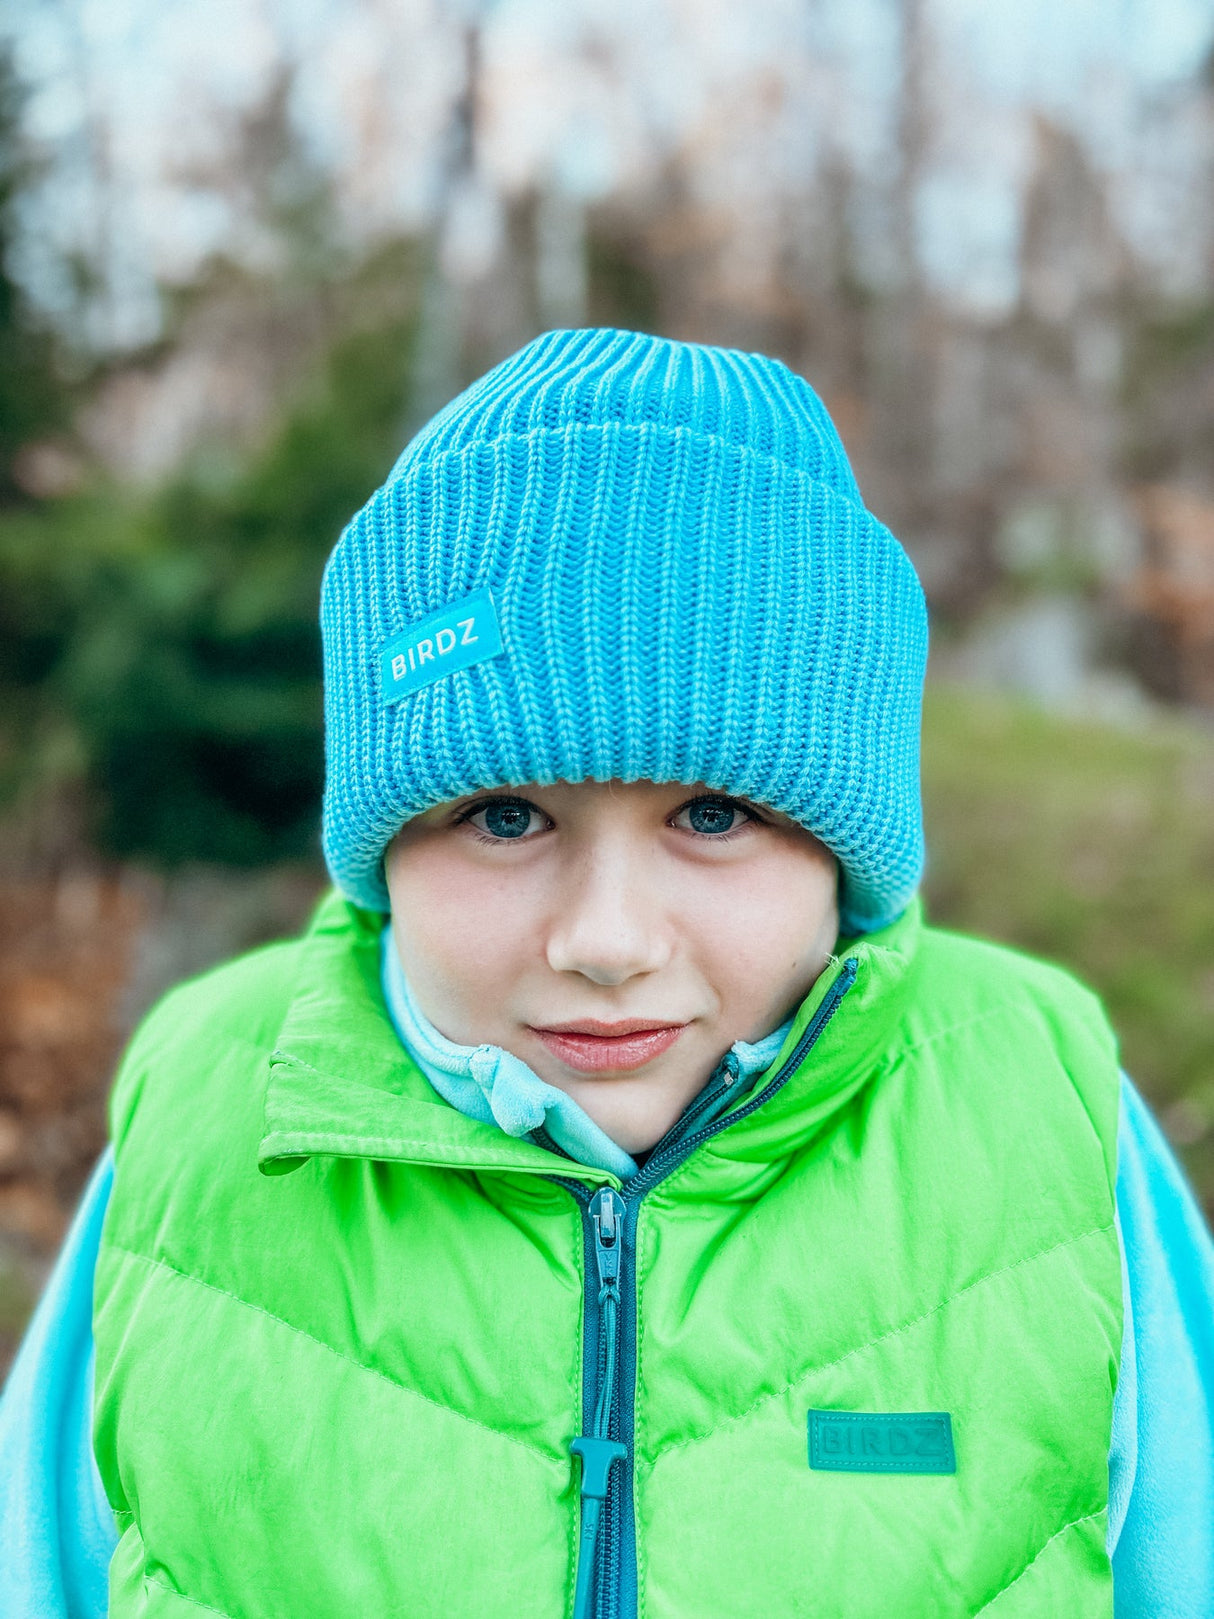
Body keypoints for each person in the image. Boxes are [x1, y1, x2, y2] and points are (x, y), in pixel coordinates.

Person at [2, 326, 1213, 1618]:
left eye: (710, 817)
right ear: (383, 846)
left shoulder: (1036, 1104)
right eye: (506, 818)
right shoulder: (208, 1101)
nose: (606, 941)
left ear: (845, 848)